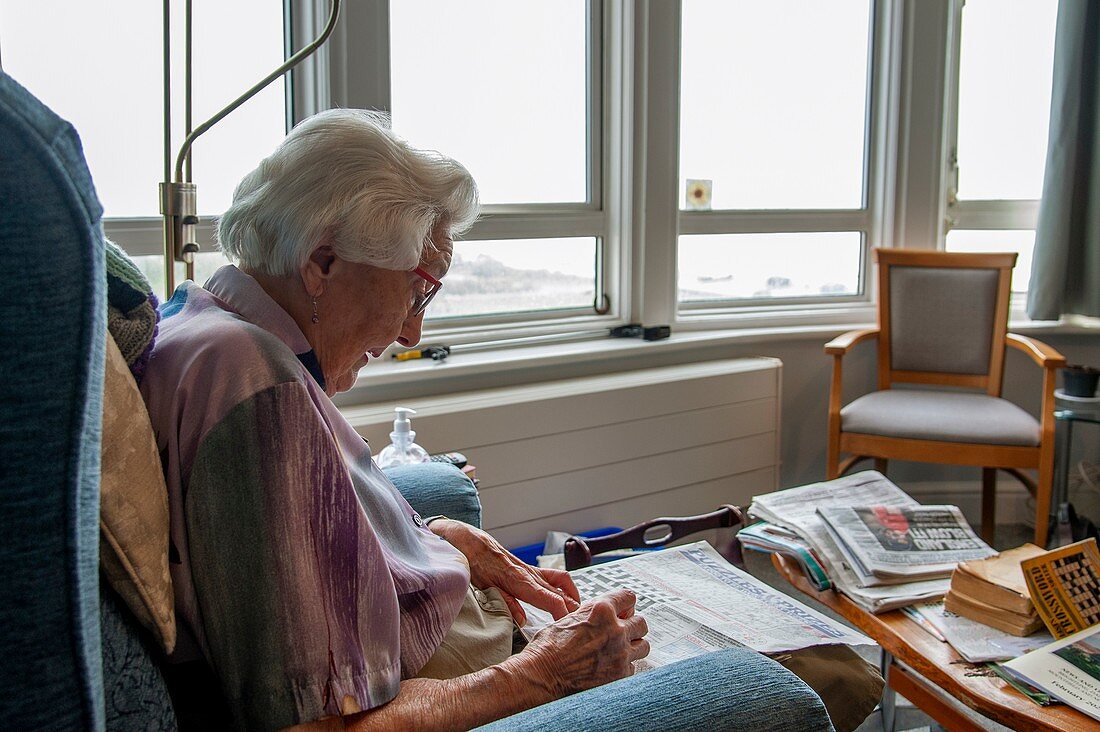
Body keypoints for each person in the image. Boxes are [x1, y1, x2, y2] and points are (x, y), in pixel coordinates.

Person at [141, 109, 650, 731]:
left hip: (469, 638)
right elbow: (317, 725)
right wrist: (545, 675)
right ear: (322, 263)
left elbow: (298, 530)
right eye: (416, 291)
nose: (412, 329)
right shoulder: (253, 384)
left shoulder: (204, 322)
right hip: (492, 690)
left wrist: (433, 535)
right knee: (758, 684)